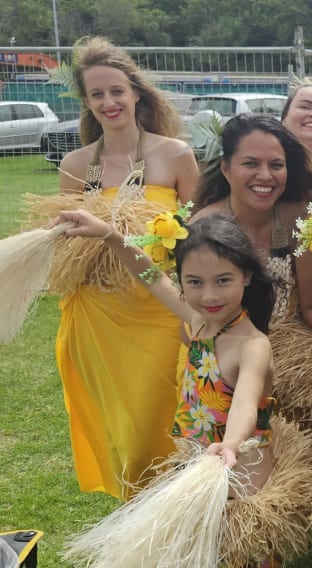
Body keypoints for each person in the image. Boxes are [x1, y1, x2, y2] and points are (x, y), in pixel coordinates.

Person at [54, 210, 279, 568]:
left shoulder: (253, 345)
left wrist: (229, 445)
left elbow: (245, 405)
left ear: (247, 277)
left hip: (242, 491)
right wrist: (112, 236)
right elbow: (150, 277)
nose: (208, 294)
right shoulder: (198, 323)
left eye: (222, 280)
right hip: (198, 479)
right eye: (194, 282)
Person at [55, 36, 199, 500]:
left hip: (161, 311)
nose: (108, 101)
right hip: (100, 318)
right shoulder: (76, 166)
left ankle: (174, 512)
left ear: (136, 93)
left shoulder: (175, 153)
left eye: (116, 90)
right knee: (123, 431)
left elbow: (201, 236)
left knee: (160, 423)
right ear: (87, 103)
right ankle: (136, 522)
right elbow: (64, 245)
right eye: (96, 94)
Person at [193, 114, 312, 330]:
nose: (265, 175)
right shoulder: (201, 228)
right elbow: (192, 319)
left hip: (292, 347)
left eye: (276, 165)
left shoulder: (302, 220)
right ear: (225, 168)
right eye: (250, 163)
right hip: (219, 349)